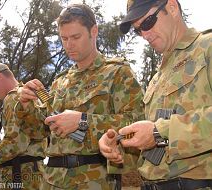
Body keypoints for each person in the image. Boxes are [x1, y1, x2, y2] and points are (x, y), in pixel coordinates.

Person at [17, 3, 144, 190]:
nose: (69, 45)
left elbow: (136, 124)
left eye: (76, 37)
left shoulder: (118, 73)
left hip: (94, 180)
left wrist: (83, 122)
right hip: (52, 180)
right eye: (64, 38)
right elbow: (38, 132)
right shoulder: (59, 82)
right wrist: (26, 106)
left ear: (94, 31)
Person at [99, 0, 212, 189]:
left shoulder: (207, 47)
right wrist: (118, 144)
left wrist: (161, 132)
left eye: (148, 22)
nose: (144, 34)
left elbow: (157, 133)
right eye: (138, 30)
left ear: (172, 8)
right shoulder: (157, 78)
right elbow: (151, 148)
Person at [0, 62, 45, 190]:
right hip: (32, 172)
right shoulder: (27, 94)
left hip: (19, 174)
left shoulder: (13, 97)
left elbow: (15, 143)